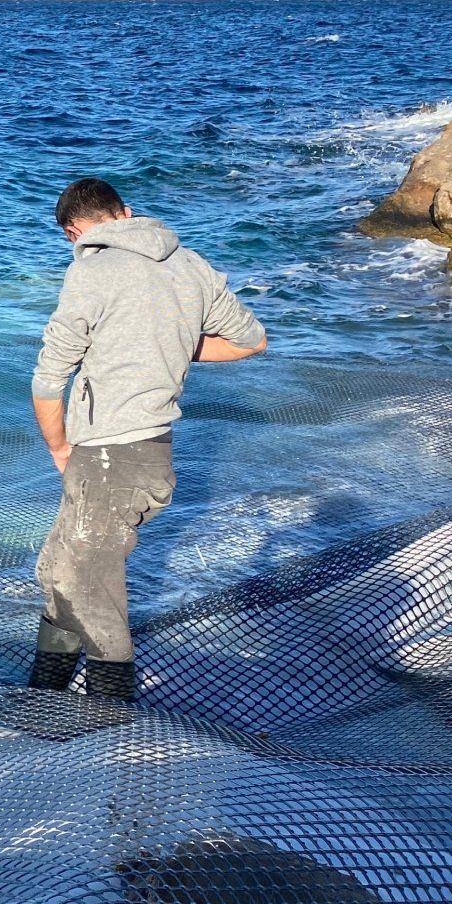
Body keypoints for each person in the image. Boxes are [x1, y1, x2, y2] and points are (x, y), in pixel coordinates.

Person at [28, 178, 267, 700]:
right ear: (126, 213)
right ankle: (41, 699)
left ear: (73, 232)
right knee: (60, 573)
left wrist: (58, 449)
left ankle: (113, 717)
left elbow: (49, 378)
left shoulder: (89, 270)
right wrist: (171, 343)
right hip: (149, 454)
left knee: (91, 591)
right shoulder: (191, 264)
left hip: (109, 457)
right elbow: (251, 340)